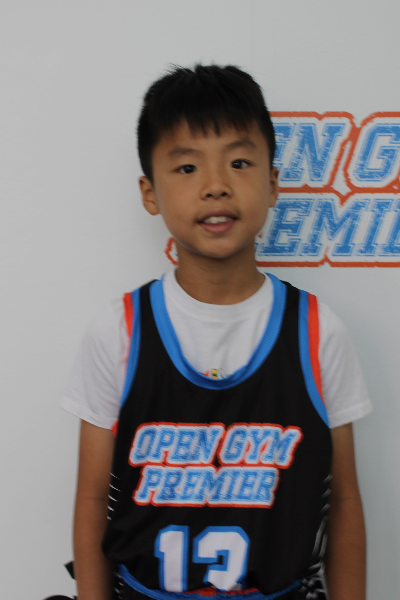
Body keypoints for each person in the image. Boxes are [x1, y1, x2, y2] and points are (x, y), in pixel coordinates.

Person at [63, 65, 372, 600]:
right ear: (150, 192)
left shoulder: (318, 331)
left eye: (239, 162)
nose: (215, 185)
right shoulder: (119, 331)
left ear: (272, 183)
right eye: (187, 167)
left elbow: (342, 500)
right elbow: (93, 500)